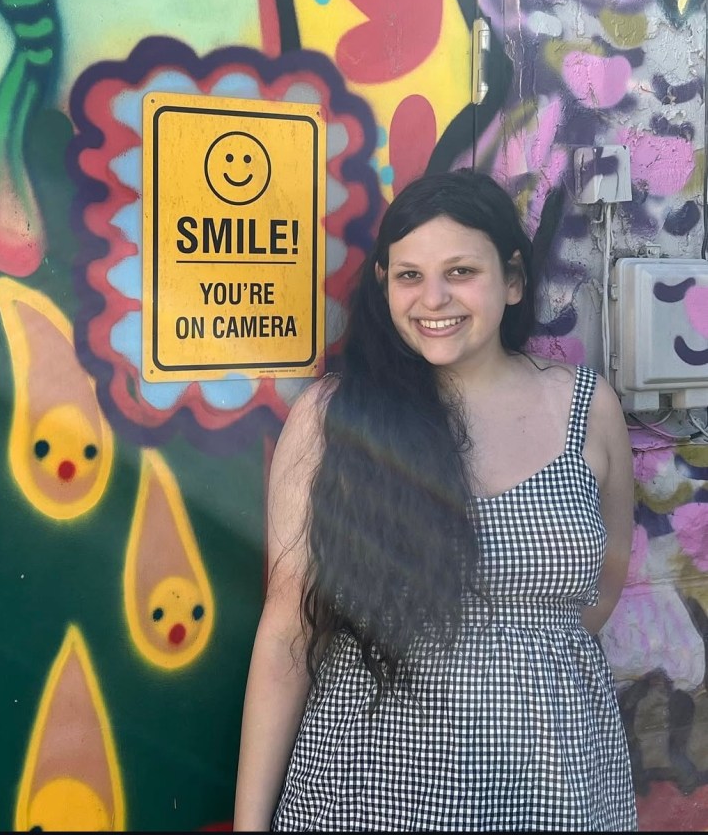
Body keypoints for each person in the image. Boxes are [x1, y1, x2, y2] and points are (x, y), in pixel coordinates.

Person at [234, 169, 637, 832]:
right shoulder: (335, 417)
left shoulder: (587, 407)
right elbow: (287, 632)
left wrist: (510, 667)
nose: (433, 299)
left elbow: (601, 589)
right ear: (384, 285)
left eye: (460, 272)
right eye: (409, 276)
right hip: (373, 788)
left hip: (553, 779)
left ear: (512, 279)